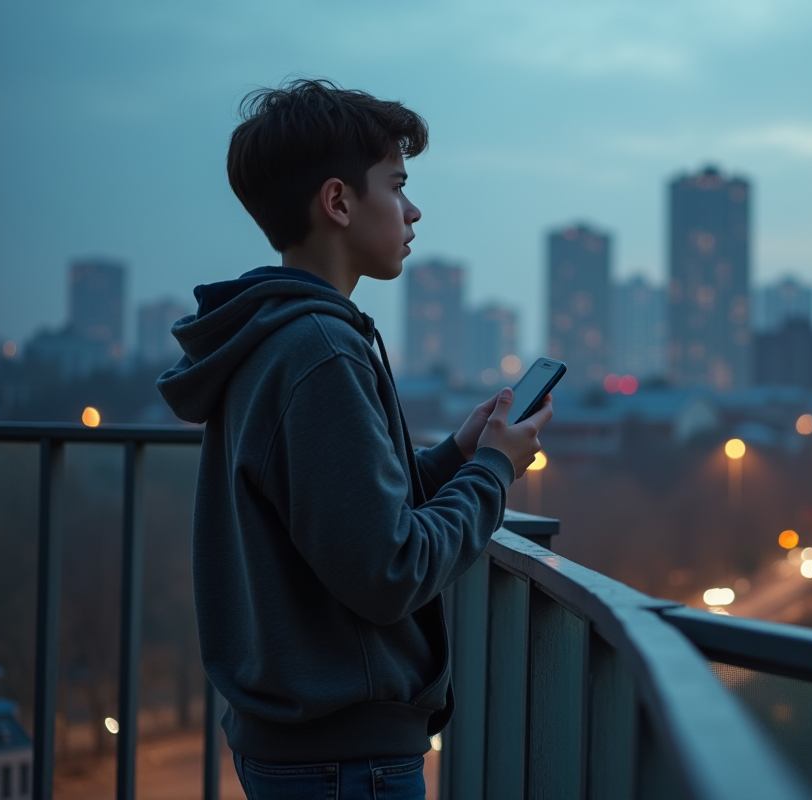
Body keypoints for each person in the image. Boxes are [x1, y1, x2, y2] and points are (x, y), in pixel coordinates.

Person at [157, 79, 551, 799]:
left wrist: (456, 457)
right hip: (346, 763)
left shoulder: (273, 338)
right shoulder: (319, 352)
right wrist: (494, 470)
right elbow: (388, 571)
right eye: (396, 186)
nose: (412, 210)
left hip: (304, 749)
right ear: (338, 203)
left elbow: (339, 521)